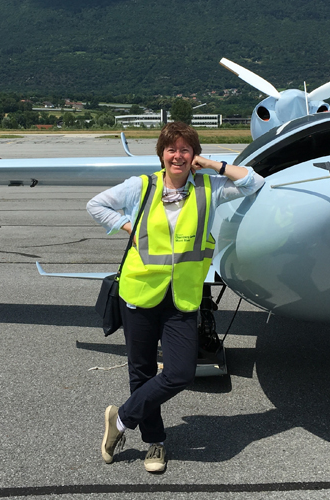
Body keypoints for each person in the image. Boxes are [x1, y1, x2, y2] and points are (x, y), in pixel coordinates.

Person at [86, 122, 264, 473]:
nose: (178, 155)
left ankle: (120, 420)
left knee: (180, 373)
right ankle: (156, 443)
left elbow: (253, 182)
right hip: (139, 293)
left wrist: (212, 165)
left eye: (185, 149)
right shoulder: (142, 186)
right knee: (142, 371)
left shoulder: (210, 189)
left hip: (182, 297)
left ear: (193, 155)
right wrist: (127, 226)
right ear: (162, 154)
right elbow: (96, 205)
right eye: (172, 149)